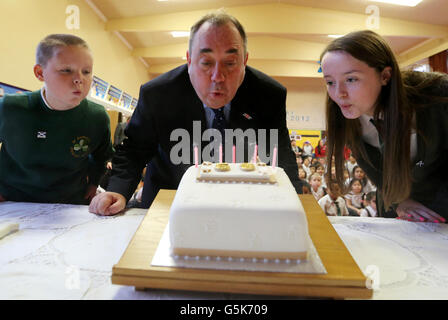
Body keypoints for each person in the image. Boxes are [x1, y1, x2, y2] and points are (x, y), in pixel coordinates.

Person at [89, 11, 301, 215]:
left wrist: (295, 201)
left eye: (230, 63)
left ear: (244, 61)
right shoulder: (158, 94)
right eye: (206, 63)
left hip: (240, 204)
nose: (218, 77)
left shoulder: (268, 95)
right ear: (189, 60)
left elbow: (280, 155)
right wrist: (117, 189)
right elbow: (134, 150)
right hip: (169, 203)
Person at [320, 30, 448, 222]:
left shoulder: (438, 95)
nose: (339, 93)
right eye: (330, 82)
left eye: (351, 79)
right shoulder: (346, 115)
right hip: (397, 206)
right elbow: (378, 174)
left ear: (385, 76)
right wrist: (400, 202)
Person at [0, 34, 113, 204]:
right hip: (13, 201)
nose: (79, 79)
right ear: (40, 73)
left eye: (86, 71)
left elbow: (101, 157)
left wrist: (94, 183)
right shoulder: (9, 108)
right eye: (66, 70)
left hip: (69, 203)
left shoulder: (97, 117)